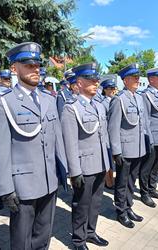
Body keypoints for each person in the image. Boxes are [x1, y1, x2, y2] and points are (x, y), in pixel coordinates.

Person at [0, 42, 68, 249]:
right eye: (28, 65)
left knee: (43, 238)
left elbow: (57, 140)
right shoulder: (3, 102)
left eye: (37, 65)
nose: (35, 69)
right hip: (22, 187)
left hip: (49, 182)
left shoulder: (49, 99)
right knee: (22, 242)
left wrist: (64, 172)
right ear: (14, 68)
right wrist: (5, 189)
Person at [61, 63, 110, 250]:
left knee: (96, 202)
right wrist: (74, 171)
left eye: (97, 80)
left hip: (99, 162)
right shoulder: (71, 108)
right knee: (82, 204)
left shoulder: (98, 105)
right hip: (84, 165)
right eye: (91, 80)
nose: (96, 83)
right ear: (79, 83)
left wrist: (108, 162)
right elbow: (70, 142)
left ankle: (91, 232)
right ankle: (78, 240)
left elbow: (103, 136)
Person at [108, 63, 150, 228]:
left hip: (138, 147)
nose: (137, 80)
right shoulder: (119, 100)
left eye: (138, 77)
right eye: (134, 77)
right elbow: (113, 127)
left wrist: (147, 143)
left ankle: (128, 206)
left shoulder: (139, 97)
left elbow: (143, 123)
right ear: (125, 80)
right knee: (122, 181)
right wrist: (116, 151)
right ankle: (121, 211)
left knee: (132, 181)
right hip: (125, 149)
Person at [139, 66, 158, 208]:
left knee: (156, 165)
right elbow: (145, 118)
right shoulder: (146, 95)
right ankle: (144, 193)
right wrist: (149, 138)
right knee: (147, 166)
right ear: (151, 79)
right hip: (152, 136)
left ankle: (152, 188)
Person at [100, 78, 117, 189]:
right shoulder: (103, 102)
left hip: (114, 133)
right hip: (107, 134)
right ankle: (108, 182)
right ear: (105, 90)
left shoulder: (115, 99)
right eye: (110, 88)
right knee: (108, 159)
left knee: (112, 159)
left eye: (113, 88)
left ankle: (111, 180)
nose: (112, 90)